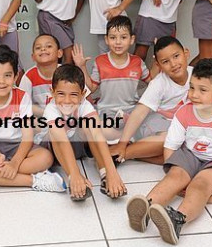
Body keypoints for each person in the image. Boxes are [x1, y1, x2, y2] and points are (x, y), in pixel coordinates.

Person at [126, 59, 212, 245]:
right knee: (175, 176)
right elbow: (171, 147)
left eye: (202, 90)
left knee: (200, 185)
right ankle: (147, 207)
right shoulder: (184, 111)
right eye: (191, 88)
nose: (194, 95)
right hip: (191, 154)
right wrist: (172, 169)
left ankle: (177, 220)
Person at [0, 45, 66, 194]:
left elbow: (27, 137)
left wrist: (15, 163)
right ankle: (34, 181)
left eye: (7, 75)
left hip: (18, 145)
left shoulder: (22, 97)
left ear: (16, 77)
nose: (1, 81)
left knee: (45, 158)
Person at [44, 64, 126, 201]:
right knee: (55, 134)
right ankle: (73, 179)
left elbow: (97, 135)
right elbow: (62, 142)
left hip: (79, 145)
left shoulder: (84, 105)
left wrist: (112, 172)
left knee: (89, 125)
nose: (67, 101)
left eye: (73, 95)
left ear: (82, 95)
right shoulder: (50, 109)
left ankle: (104, 173)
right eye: (61, 94)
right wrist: (76, 174)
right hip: (59, 151)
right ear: (52, 92)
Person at [111, 36, 192, 165]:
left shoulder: (197, 75)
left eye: (176, 56)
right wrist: (122, 143)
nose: (173, 64)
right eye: (165, 61)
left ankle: (135, 153)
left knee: (181, 156)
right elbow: (140, 112)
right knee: (170, 140)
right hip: (155, 124)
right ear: (158, 65)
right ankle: (120, 153)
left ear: (186, 53)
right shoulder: (159, 83)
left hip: (179, 126)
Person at [73, 16, 150, 144]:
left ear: (132, 39)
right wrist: (81, 66)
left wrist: (158, 63)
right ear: (106, 39)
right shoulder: (100, 61)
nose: (118, 42)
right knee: (86, 128)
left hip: (130, 113)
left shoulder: (137, 62)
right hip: (106, 113)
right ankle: (126, 137)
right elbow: (92, 88)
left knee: (145, 122)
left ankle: (123, 137)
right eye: (113, 38)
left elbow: (152, 83)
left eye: (123, 37)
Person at [18, 34, 63, 144]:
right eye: (38, 48)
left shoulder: (67, 72)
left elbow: (81, 100)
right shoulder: (29, 76)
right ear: (33, 56)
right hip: (42, 120)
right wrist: (46, 114)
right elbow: (22, 105)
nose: (43, 49)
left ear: (59, 53)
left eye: (49, 46)